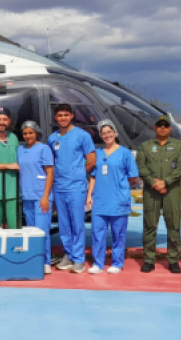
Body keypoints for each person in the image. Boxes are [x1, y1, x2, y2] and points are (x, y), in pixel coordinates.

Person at [135, 115, 181, 274]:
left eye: (166, 125)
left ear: (170, 128)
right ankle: (149, 259)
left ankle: (173, 260)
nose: (163, 128)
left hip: (172, 191)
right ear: (155, 128)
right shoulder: (145, 146)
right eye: (160, 125)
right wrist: (154, 183)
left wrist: (165, 182)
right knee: (150, 225)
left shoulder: (180, 146)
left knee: (173, 225)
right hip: (151, 191)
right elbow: (141, 167)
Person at [86, 120, 140, 274]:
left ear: (115, 133)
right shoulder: (97, 153)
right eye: (104, 133)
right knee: (98, 233)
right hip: (100, 200)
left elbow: (133, 176)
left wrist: (121, 188)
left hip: (118, 200)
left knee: (119, 233)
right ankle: (98, 263)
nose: (107, 135)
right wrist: (89, 195)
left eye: (109, 132)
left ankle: (117, 263)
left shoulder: (125, 153)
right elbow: (94, 177)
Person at [48, 103, 96, 274]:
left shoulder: (82, 136)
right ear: (56, 117)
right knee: (64, 225)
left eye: (66, 115)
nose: (63, 118)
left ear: (71, 116)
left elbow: (91, 160)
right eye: (60, 115)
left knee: (77, 224)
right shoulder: (53, 138)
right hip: (59, 187)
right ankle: (68, 255)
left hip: (76, 187)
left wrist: (78, 174)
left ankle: (78, 259)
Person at [17, 120, 55, 274]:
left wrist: (45, 196)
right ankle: (34, 259)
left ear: (36, 133)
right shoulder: (20, 150)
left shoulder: (44, 149)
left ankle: (45, 261)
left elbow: (50, 172)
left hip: (41, 196)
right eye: (25, 133)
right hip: (26, 196)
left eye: (31, 133)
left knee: (42, 230)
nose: (28, 136)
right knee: (31, 231)